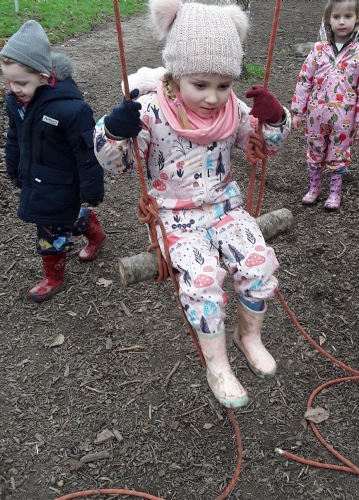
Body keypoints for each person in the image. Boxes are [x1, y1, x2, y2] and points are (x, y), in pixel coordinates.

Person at [94, 0, 291, 409]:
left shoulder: (232, 109)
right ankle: (217, 364)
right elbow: (121, 165)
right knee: (202, 282)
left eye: (223, 85)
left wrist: (274, 120)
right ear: (176, 74)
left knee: (257, 265)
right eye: (200, 85)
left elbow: (263, 146)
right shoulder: (151, 112)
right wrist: (114, 132)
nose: (213, 97)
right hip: (173, 216)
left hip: (225, 208)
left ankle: (249, 335)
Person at [0, 20, 106, 303]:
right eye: (10, 82)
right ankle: (92, 228)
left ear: (44, 75)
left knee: (49, 229)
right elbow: (14, 137)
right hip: (35, 176)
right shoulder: (16, 103)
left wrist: (92, 188)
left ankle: (53, 276)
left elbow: (86, 152)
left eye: (22, 82)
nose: (15, 88)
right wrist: (13, 166)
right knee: (62, 219)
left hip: (63, 181)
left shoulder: (70, 109)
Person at [291, 0, 359, 209]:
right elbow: (304, 80)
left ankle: (334, 193)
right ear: (328, 19)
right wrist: (298, 111)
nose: (342, 22)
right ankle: (314, 188)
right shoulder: (319, 49)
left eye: (348, 16)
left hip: (344, 117)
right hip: (316, 114)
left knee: (338, 152)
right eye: (336, 17)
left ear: (357, 19)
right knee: (315, 149)